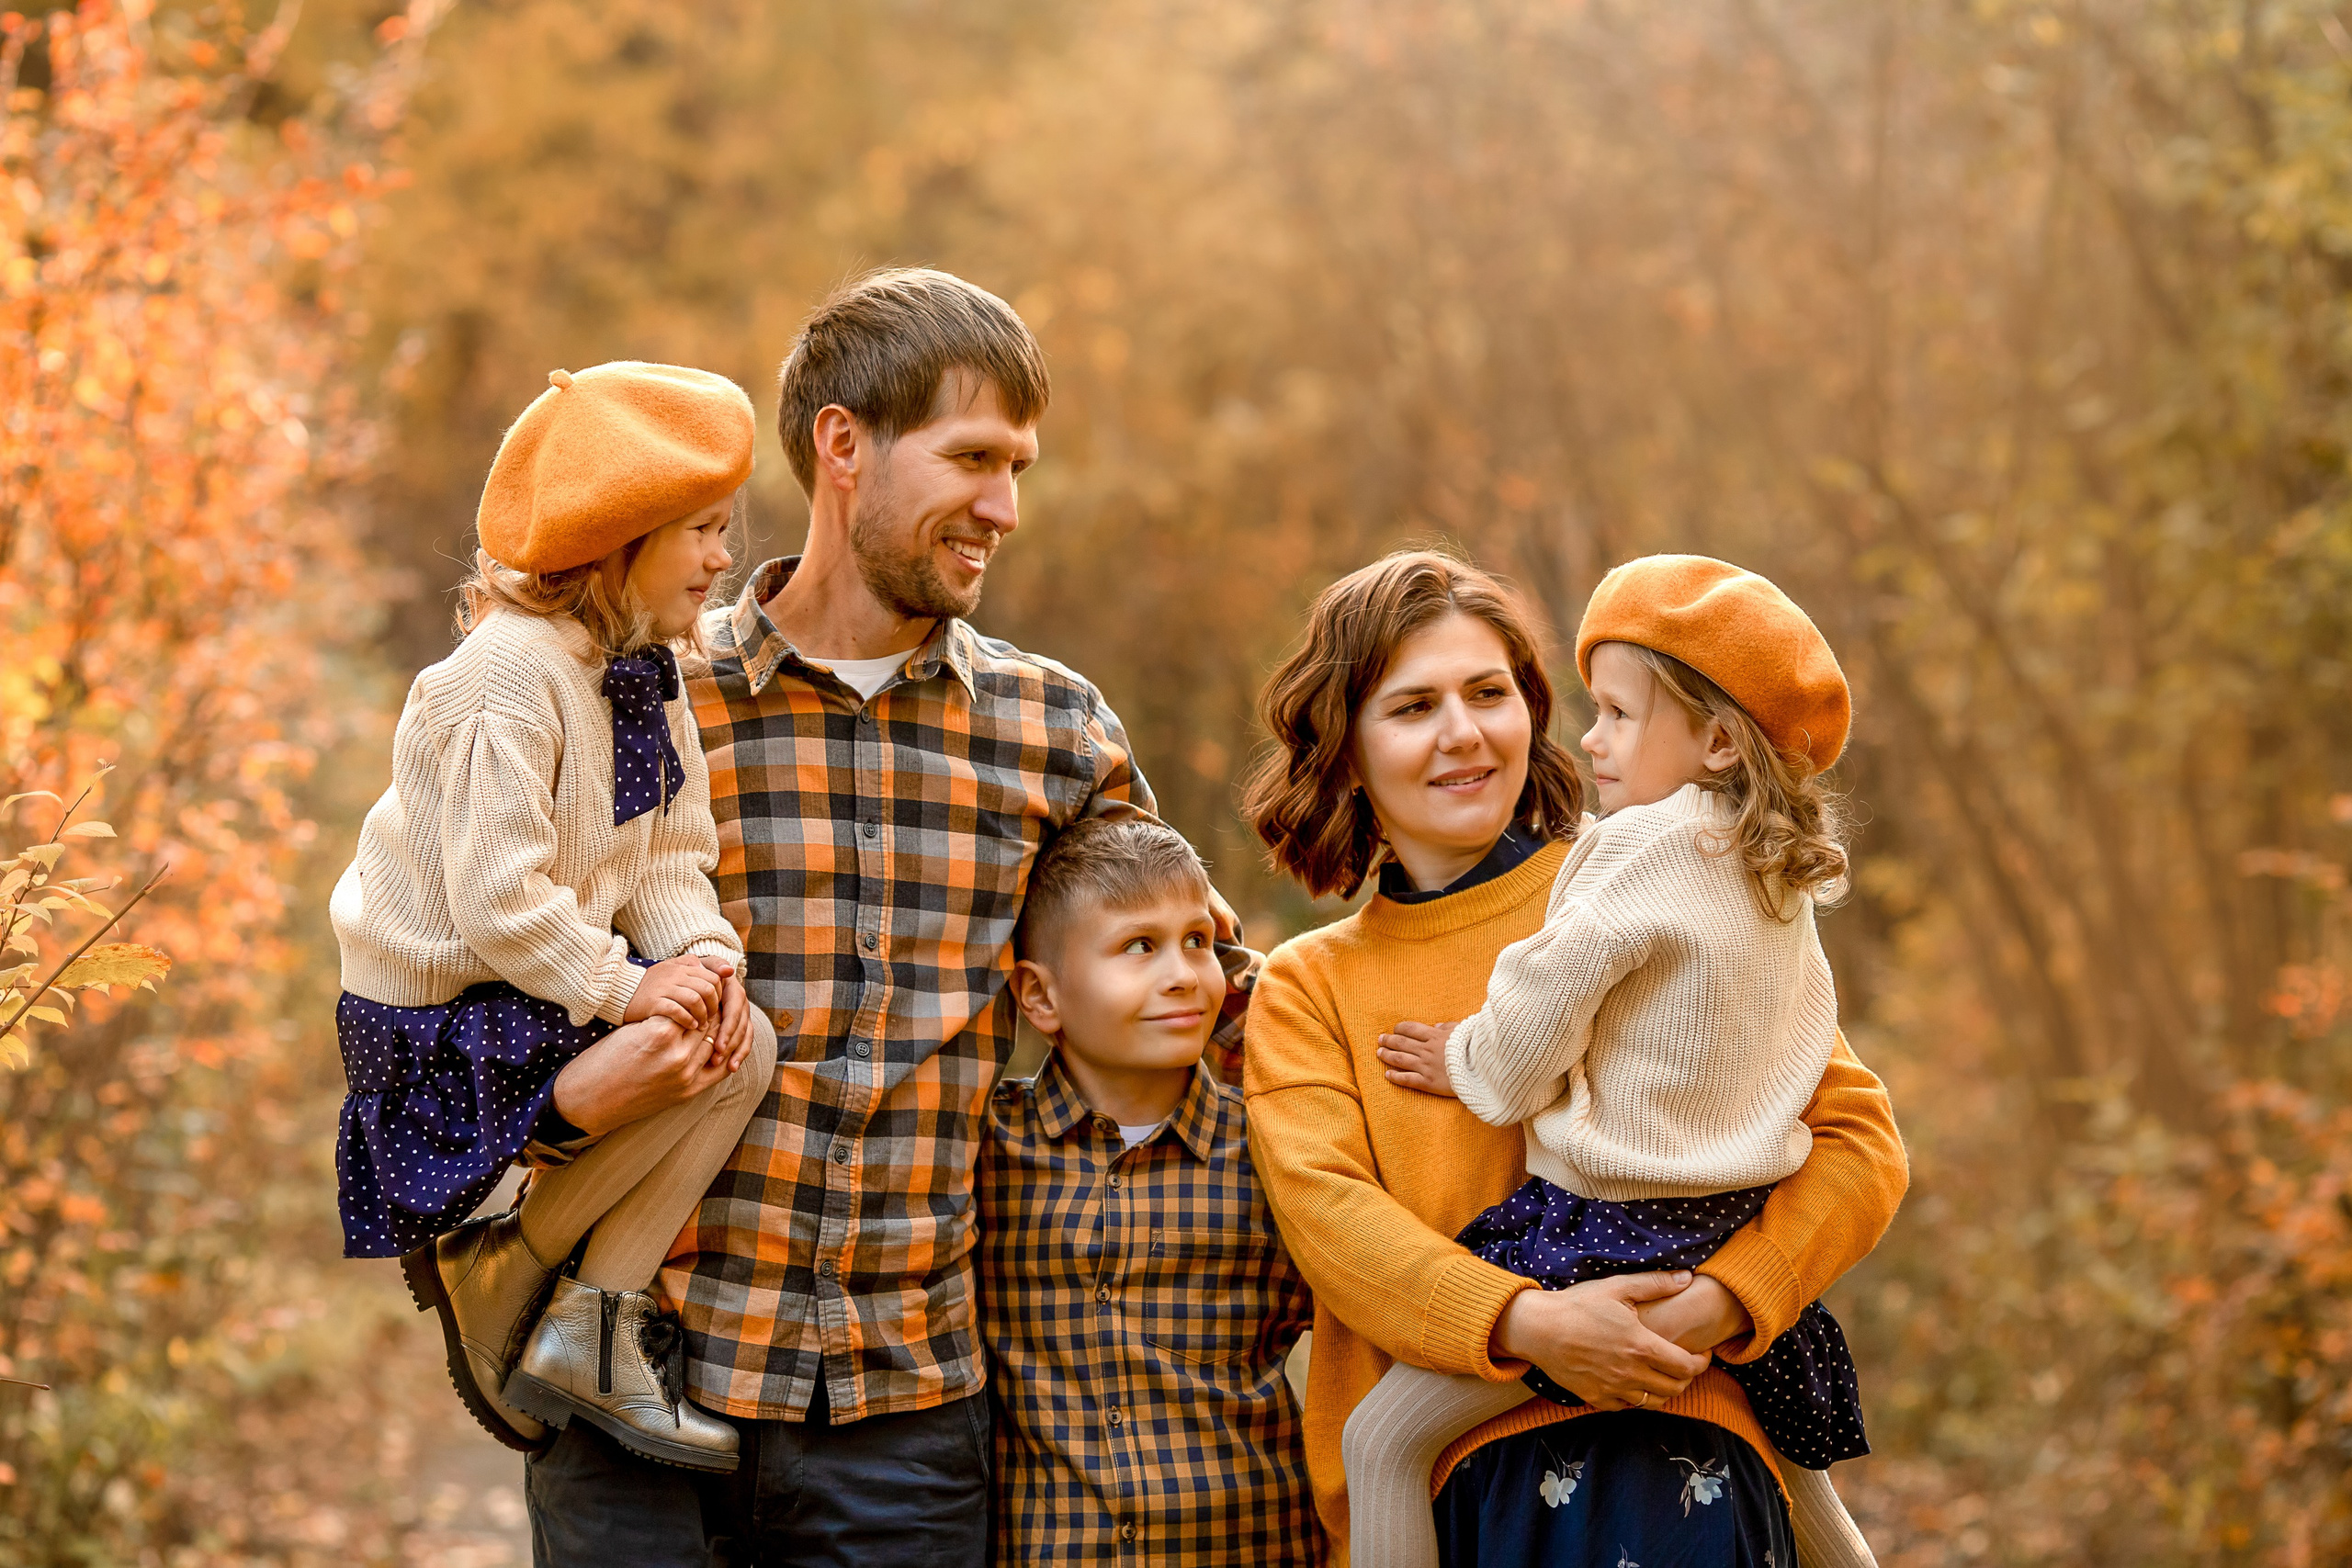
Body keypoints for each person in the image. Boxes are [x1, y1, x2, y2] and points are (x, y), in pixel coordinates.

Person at [521, 269, 1246, 1566]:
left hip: (910, 1420)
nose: (1004, 507)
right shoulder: (639, 699)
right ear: (841, 444)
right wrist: (560, 1106)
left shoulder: (1059, 733)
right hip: (634, 1377)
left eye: (1019, 466)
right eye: (972, 457)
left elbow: (1192, 1004)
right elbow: (476, 985)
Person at [1238, 548, 1909, 1568]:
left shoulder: (1668, 881)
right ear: (1347, 746)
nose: (1462, 732)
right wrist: (1529, 1326)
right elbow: (1336, 1227)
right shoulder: (1310, 986)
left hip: (1684, 1449)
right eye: (1413, 707)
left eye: (1488, 693)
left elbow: (1854, 1141)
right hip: (1454, 1489)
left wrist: (1719, 1299)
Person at [333, 361, 779, 1476]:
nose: (725, 559)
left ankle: (591, 1320)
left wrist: (701, 958)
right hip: (444, 1009)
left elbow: (670, 855)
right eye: (704, 532)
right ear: (620, 540)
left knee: (738, 1041)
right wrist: (628, 989)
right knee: (674, 1042)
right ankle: (499, 1261)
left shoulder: (642, 668)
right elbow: (496, 904)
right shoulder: (505, 680)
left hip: (539, 978)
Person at [979, 816, 1318, 1564]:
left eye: (1198, 941)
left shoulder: (1274, 1147)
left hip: (1252, 1544)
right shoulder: (983, 1150)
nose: (1182, 974)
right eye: (1140, 945)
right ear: (1040, 995)